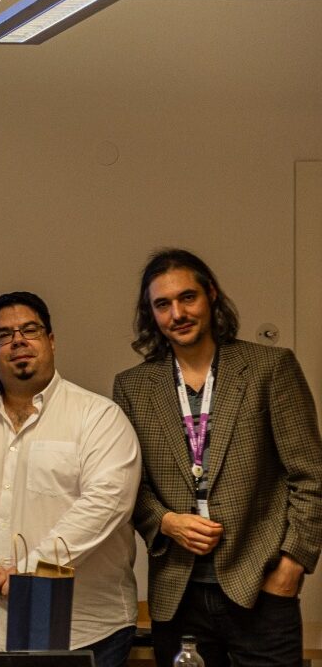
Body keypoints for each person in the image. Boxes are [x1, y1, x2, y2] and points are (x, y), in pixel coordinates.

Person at [113, 249, 322, 666]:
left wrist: (292, 565)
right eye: (162, 304)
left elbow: (311, 477)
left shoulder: (270, 368)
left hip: (261, 586)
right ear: (151, 314)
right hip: (177, 593)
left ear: (210, 295)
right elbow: (126, 486)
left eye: (187, 297)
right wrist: (165, 521)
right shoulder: (132, 387)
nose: (177, 313)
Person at [0, 292, 141, 667]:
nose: (17, 340)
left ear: (51, 340)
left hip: (82, 632)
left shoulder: (99, 417)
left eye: (29, 330)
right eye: (3, 335)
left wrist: (30, 571)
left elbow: (106, 503)